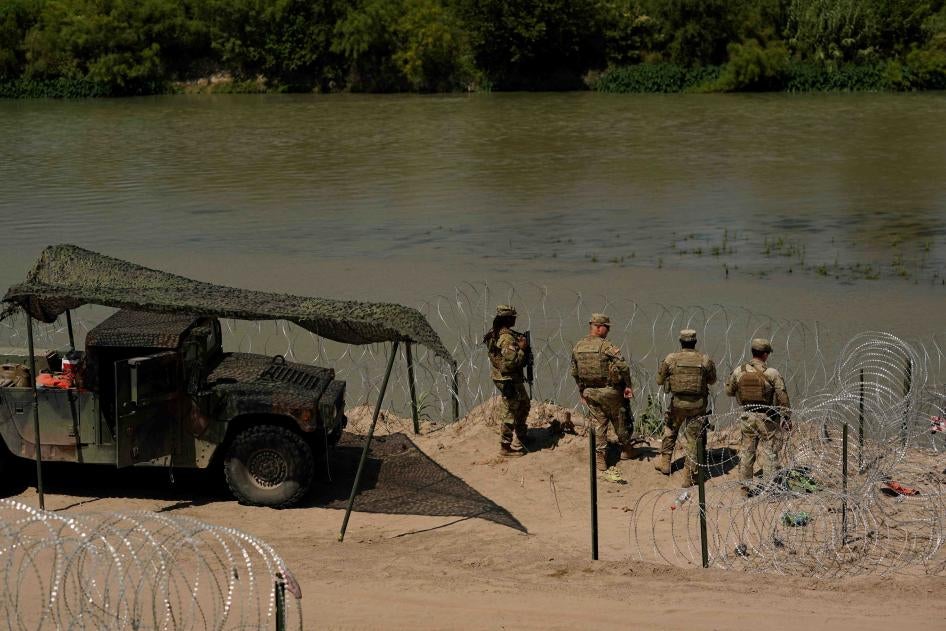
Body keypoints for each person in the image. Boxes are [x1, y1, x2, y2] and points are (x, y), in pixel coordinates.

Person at [724, 338, 792, 495]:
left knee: (747, 452)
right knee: (770, 452)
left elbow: (729, 391)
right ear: (765, 355)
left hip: (747, 416)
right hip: (767, 417)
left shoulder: (739, 371)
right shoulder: (771, 373)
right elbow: (782, 397)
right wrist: (786, 417)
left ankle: (744, 488)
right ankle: (770, 489)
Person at [571, 313, 634, 475]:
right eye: (606, 328)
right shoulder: (606, 346)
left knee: (599, 424)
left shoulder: (578, 346)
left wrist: (581, 392)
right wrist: (628, 386)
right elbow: (623, 367)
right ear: (599, 327)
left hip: (590, 392)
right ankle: (626, 450)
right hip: (609, 391)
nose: (608, 331)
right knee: (619, 419)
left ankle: (600, 458)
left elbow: (574, 372)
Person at [655, 329, 717, 487]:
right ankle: (688, 476)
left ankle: (665, 463)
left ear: (680, 342)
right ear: (695, 342)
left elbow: (659, 380)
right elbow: (712, 380)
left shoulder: (671, 359)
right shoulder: (704, 359)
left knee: (670, 429)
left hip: (677, 404)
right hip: (697, 405)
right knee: (693, 440)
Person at [483, 304, 531, 456]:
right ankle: (505, 446)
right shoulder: (506, 338)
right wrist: (522, 349)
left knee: (524, 404)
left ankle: (521, 436)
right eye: (513, 317)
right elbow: (510, 363)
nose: (515, 319)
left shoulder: (496, 333)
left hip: (505, 377)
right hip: (508, 379)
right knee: (510, 410)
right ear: (507, 319)